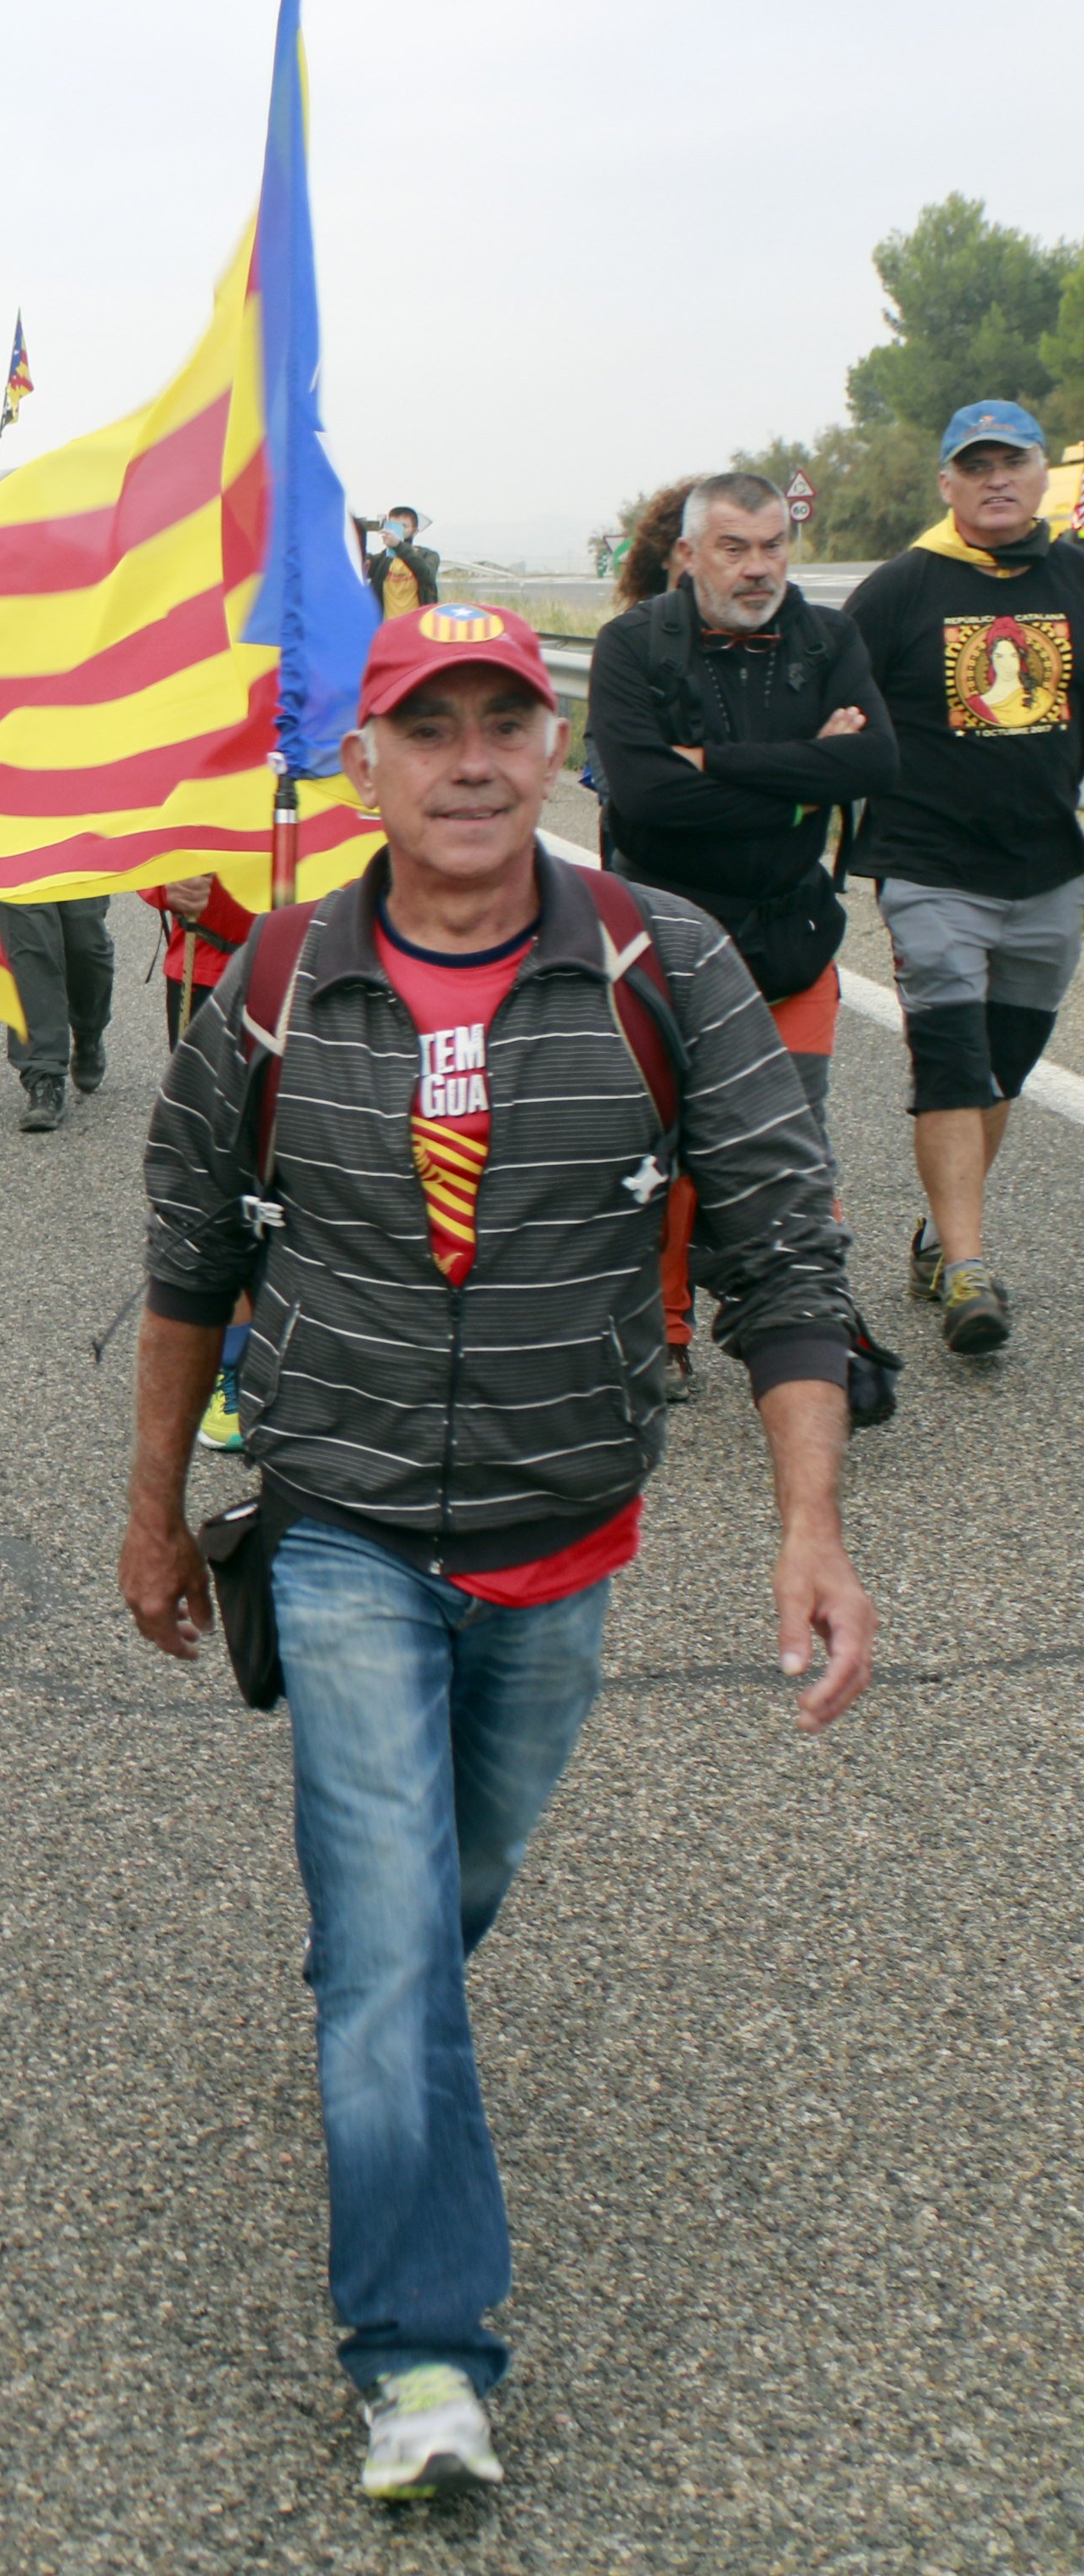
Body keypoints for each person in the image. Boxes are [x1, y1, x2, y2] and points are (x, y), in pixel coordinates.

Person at [123, 602, 873, 2503]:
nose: (468, 759)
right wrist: (151, 1510)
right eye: (424, 726)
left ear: (557, 754)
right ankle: (424, 2356)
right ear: (361, 764)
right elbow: (189, 1253)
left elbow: (785, 1250)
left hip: (569, 1526)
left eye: (503, 723)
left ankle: (378, 2006)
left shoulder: (661, 958)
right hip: (345, 1523)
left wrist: (810, 1523)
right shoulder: (279, 978)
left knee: (439, 1900)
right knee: (387, 1956)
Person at [587, 469, 897, 1387]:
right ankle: (662, 1330)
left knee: (793, 1149)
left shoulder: (827, 636)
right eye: (736, 548)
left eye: (773, 546)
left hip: (791, 943)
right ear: (688, 555)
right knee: (661, 1147)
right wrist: (805, 781)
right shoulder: (632, 646)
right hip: (663, 944)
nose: (760, 568)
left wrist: (717, 763)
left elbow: (876, 759)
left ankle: (808, 1331)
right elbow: (647, 796)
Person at [839, 398, 1084, 1358]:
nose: (995, 480)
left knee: (1004, 1067)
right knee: (950, 1057)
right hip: (930, 864)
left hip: (1047, 871)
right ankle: (972, 1272)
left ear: (1038, 476)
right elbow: (840, 701)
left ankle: (943, 1235)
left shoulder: (1073, 575)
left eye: (1011, 462)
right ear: (946, 483)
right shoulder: (902, 589)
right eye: (974, 466)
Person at [138, 871, 257, 1449]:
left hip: (331, 965)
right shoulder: (206, 773)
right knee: (215, 1181)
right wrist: (165, 890)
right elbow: (147, 828)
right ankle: (228, 1367)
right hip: (210, 972)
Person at [0, 888, 116, 1134]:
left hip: (78, 853)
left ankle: (88, 1028)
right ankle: (43, 1076)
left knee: (86, 945)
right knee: (28, 950)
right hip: (12, 854)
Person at [364, 507, 441, 616]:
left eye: (403, 527)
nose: (397, 532)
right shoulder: (382, 560)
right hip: (386, 629)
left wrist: (398, 546)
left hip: (415, 628)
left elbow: (426, 574)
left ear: (414, 531)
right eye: (393, 527)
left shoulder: (428, 556)